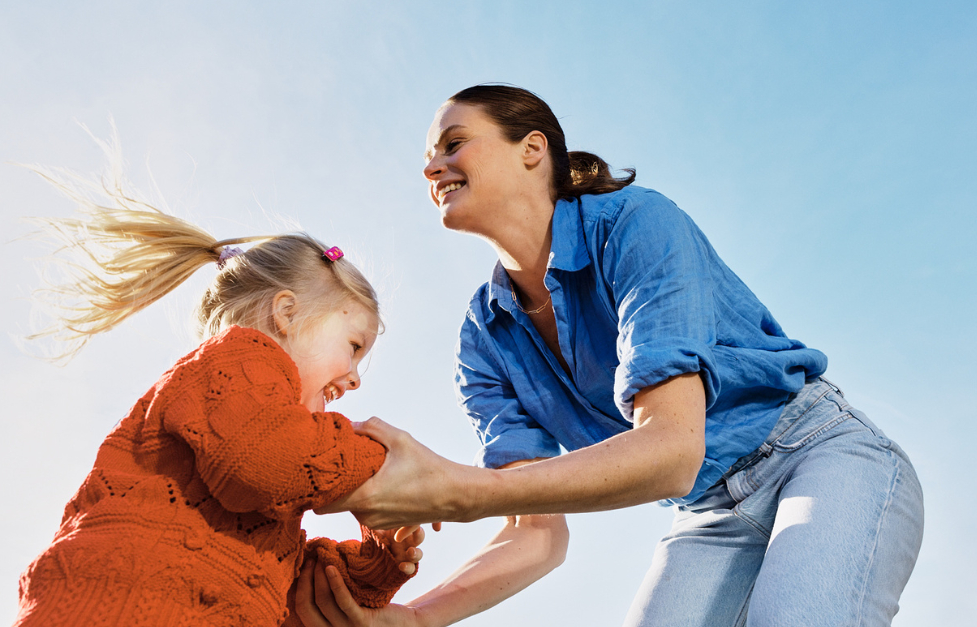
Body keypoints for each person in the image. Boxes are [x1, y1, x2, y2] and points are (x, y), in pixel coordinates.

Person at [295, 85, 925, 626]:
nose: (433, 167)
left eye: (453, 144)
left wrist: (458, 492)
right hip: (707, 515)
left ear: (532, 150)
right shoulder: (485, 338)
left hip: (813, 455)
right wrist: (414, 616)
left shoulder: (635, 224)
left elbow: (673, 450)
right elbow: (536, 533)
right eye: (428, 158)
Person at [13, 144, 424, 627]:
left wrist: (378, 560)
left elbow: (303, 595)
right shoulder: (237, 360)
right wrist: (384, 465)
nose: (355, 377)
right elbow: (262, 461)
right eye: (354, 346)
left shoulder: (271, 461)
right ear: (287, 312)